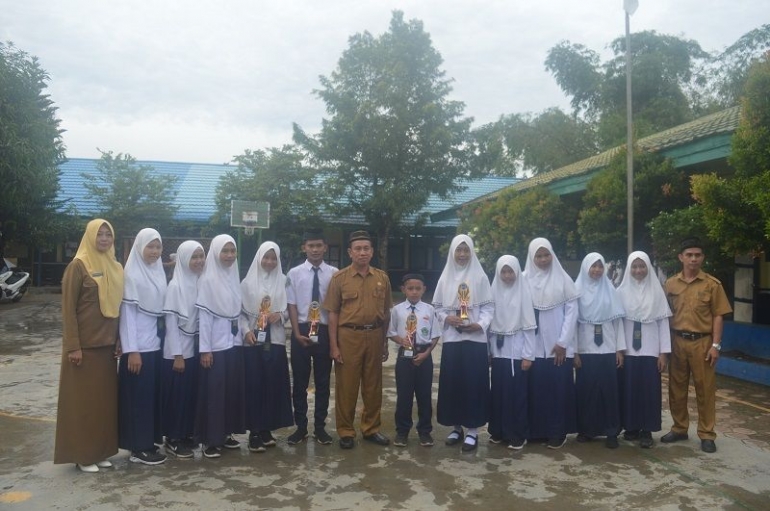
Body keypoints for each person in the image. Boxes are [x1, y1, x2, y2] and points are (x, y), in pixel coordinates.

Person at [54, 219, 124, 473]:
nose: (104, 239)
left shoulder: (115, 267)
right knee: (82, 405)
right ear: (90, 236)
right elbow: (68, 309)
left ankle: (101, 451)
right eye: (100, 234)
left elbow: (117, 309)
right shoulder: (78, 266)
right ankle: (83, 455)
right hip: (84, 349)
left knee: (103, 407)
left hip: (107, 348)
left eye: (109, 234)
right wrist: (73, 346)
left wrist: (119, 339)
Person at [324, 230, 392, 449]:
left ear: (372, 252)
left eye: (366, 248)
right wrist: (334, 345)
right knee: (347, 386)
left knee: (373, 386)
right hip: (348, 336)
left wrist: (384, 342)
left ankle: (371, 428)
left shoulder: (382, 278)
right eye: (358, 249)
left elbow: (387, 313)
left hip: (374, 335)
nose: (362, 253)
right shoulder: (339, 279)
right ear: (350, 252)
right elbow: (333, 313)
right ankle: (345, 431)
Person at [662, 238, 732, 453]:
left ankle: (707, 434)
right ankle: (680, 428)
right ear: (681, 257)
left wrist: (716, 345)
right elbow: (664, 315)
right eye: (689, 254)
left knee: (705, 389)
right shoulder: (670, 284)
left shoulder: (712, 284)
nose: (693, 258)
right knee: (676, 389)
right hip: (677, 342)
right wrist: (664, 347)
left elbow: (718, 315)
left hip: (702, 343)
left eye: (697, 255)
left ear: (702, 258)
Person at [433, 234, 494, 453]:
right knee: (453, 384)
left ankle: (473, 431)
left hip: (475, 340)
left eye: (466, 250)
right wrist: (446, 319)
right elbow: (437, 307)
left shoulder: (480, 277)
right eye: (458, 250)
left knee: (474, 385)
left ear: (471, 252)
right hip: (452, 340)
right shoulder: (445, 278)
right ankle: (456, 427)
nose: (462, 254)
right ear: (452, 252)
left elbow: (489, 308)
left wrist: (480, 325)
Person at [118, 228, 168, 465]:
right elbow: (127, 316)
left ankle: (149, 442)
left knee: (150, 398)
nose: (155, 252)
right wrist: (132, 350)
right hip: (139, 350)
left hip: (155, 346)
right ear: (140, 247)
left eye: (158, 247)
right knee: (138, 399)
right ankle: (138, 449)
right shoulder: (132, 275)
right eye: (150, 246)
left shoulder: (157, 272)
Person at [523, 237, 579, 449]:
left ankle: (557, 432)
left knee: (558, 391)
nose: (543, 259)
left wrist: (563, 342)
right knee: (535, 390)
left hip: (559, 348)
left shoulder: (563, 280)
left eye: (546, 254)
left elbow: (572, 312)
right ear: (531, 256)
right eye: (538, 255)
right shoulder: (523, 279)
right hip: (533, 347)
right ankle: (536, 431)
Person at [286, 229, 338, 446]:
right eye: (311, 246)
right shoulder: (294, 273)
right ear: (304, 248)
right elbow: (292, 305)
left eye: (319, 245)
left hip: (324, 331)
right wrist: (296, 332)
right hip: (302, 330)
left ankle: (319, 428)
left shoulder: (335, 273)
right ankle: (300, 427)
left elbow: (336, 307)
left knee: (323, 382)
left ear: (325, 247)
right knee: (299, 382)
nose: (315, 250)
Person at [240, 241, 293, 452]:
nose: (269, 262)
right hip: (253, 342)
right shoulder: (246, 283)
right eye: (266, 257)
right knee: (254, 386)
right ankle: (254, 431)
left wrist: (280, 315)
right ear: (259, 257)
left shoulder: (284, 281)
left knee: (273, 385)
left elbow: (290, 308)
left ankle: (266, 429)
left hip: (276, 340)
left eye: (273, 258)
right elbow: (240, 314)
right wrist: (245, 332)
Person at [617, 251, 672, 449]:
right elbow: (618, 324)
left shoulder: (657, 292)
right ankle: (630, 427)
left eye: (642, 266)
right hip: (629, 351)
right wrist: (619, 349)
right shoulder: (620, 293)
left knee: (649, 391)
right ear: (629, 269)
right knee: (629, 390)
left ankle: (646, 430)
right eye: (634, 266)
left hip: (650, 349)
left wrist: (663, 353)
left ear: (648, 268)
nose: (638, 270)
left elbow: (663, 324)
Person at [194, 234, 241, 458]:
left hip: (231, 345)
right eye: (225, 251)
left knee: (229, 392)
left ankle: (225, 433)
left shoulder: (233, 276)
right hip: (213, 347)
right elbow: (204, 318)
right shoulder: (208, 280)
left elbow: (236, 314)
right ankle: (210, 440)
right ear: (215, 252)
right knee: (213, 393)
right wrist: (205, 349)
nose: (230, 256)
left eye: (233, 251)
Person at [573, 252, 626, 449]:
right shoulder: (576, 290)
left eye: (600, 266)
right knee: (587, 392)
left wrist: (620, 350)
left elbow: (617, 321)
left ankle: (611, 431)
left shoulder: (610, 289)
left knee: (609, 392)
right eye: (593, 266)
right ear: (586, 267)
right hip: (585, 349)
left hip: (608, 348)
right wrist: (575, 352)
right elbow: (573, 325)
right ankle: (587, 430)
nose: (596, 270)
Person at [161, 240, 205, 458]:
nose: (198, 261)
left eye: (200, 256)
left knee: (189, 395)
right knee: (177, 397)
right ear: (184, 259)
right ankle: (173, 438)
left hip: (194, 348)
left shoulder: (198, 281)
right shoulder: (175, 286)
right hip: (177, 353)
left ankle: (186, 434)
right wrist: (178, 355)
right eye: (193, 257)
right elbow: (170, 323)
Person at [488, 255, 537, 451]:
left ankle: (518, 434)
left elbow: (529, 326)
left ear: (517, 272)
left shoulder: (523, 293)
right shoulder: (493, 293)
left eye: (511, 272)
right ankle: (498, 431)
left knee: (517, 395)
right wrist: (490, 352)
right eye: (504, 272)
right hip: (499, 353)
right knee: (498, 394)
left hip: (517, 354)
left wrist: (528, 355)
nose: (507, 276)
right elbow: (489, 326)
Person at [387, 273, 441, 448]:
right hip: (405, 355)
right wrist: (399, 340)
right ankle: (402, 431)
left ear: (424, 289)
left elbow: (435, 335)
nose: (414, 292)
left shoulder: (429, 310)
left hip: (424, 354)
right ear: (403, 290)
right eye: (410, 288)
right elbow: (391, 331)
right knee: (404, 395)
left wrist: (426, 354)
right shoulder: (397, 310)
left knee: (424, 395)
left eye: (418, 288)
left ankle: (424, 431)